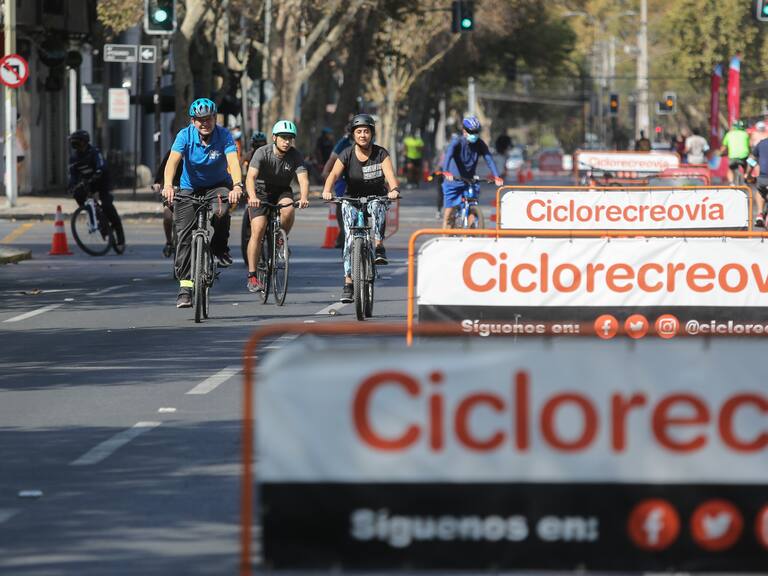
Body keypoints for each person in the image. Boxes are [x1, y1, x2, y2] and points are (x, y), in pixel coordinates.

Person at [162, 98, 243, 308]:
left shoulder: (224, 135)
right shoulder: (184, 135)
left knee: (221, 211)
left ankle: (219, 247)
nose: (204, 123)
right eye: (199, 120)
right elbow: (173, 161)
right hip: (189, 187)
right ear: (193, 121)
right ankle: (185, 288)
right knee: (185, 237)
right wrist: (168, 186)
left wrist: (237, 186)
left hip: (218, 185)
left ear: (215, 118)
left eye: (208, 119)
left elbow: (233, 161)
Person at [321, 113, 400, 304]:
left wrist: (394, 190)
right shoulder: (346, 153)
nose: (363, 135)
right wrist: (326, 191)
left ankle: (379, 246)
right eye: (359, 132)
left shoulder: (381, 153)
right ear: (353, 134)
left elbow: (390, 176)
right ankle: (348, 283)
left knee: (378, 206)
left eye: (366, 131)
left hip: (375, 196)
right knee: (349, 241)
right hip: (351, 199)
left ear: (371, 133)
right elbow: (333, 175)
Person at [244, 120, 310, 293]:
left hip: (282, 191)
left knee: (288, 208)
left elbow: (303, 178)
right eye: (283, 137)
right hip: (260, 192)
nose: (287, 141)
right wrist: (251, 197)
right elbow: (250, 177)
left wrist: (303, 197)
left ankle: (281, 239)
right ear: (274, 137)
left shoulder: (295, 155)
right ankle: (252, 275)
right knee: (258, 229)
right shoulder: (261, 152)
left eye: (290, 138)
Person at [440, 116, 503, 230]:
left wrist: (496, 176)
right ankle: (445, 229)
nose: (474, 134)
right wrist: (446, 172)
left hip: (470, 181)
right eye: (471, 132)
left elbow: (489, 159)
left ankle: (471, 232)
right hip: (454, 180)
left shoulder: (480, 144)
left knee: (473, 205)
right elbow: (448, 155)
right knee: (449, 209)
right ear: (464, 131)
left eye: (476, 132)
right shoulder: (457, 142)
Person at [68, 130, 125, 252]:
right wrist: (72, 186)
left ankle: (119, 236)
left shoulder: (94, 152)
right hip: (89, 183)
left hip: (102, 181)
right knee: (78, 194)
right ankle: (95, 216)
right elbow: (73, 175)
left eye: (78, 143)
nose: (76, 146)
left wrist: (98, 172)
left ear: (84, 142)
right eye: (74, 144)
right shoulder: (74, 158)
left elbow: (101, 165)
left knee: (107, 205)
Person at [322, 124, 353, 249]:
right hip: (344, 180)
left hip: (362, 180)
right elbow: (332, 160)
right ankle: (344, 234)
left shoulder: (370, 143)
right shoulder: (344, 143)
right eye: (357, 131)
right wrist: (326, 173)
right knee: (342, 205)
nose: (361, 135)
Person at [152, 149, 182, 257]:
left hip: (191, 189)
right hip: (172, 188)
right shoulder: (173, 152)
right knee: (168, 216)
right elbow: (163, 169)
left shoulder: (198, 152)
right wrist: (158, 183)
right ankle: (169, 242)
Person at [747, 132, 768, 227]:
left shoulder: (761, 143)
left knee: (760, 191)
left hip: (763, 178)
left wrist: (747, 174)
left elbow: (750, 159)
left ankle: (759, 214)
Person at [720, 120, 750, 184]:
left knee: (730, 169)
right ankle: (745, 177)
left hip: (733, 156)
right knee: (746, 166)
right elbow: (748, 146)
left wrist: (720, 153)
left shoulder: (729, 134)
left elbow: (724, 147)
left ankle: (731, 183)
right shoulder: (745, 134)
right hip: (744, 155)